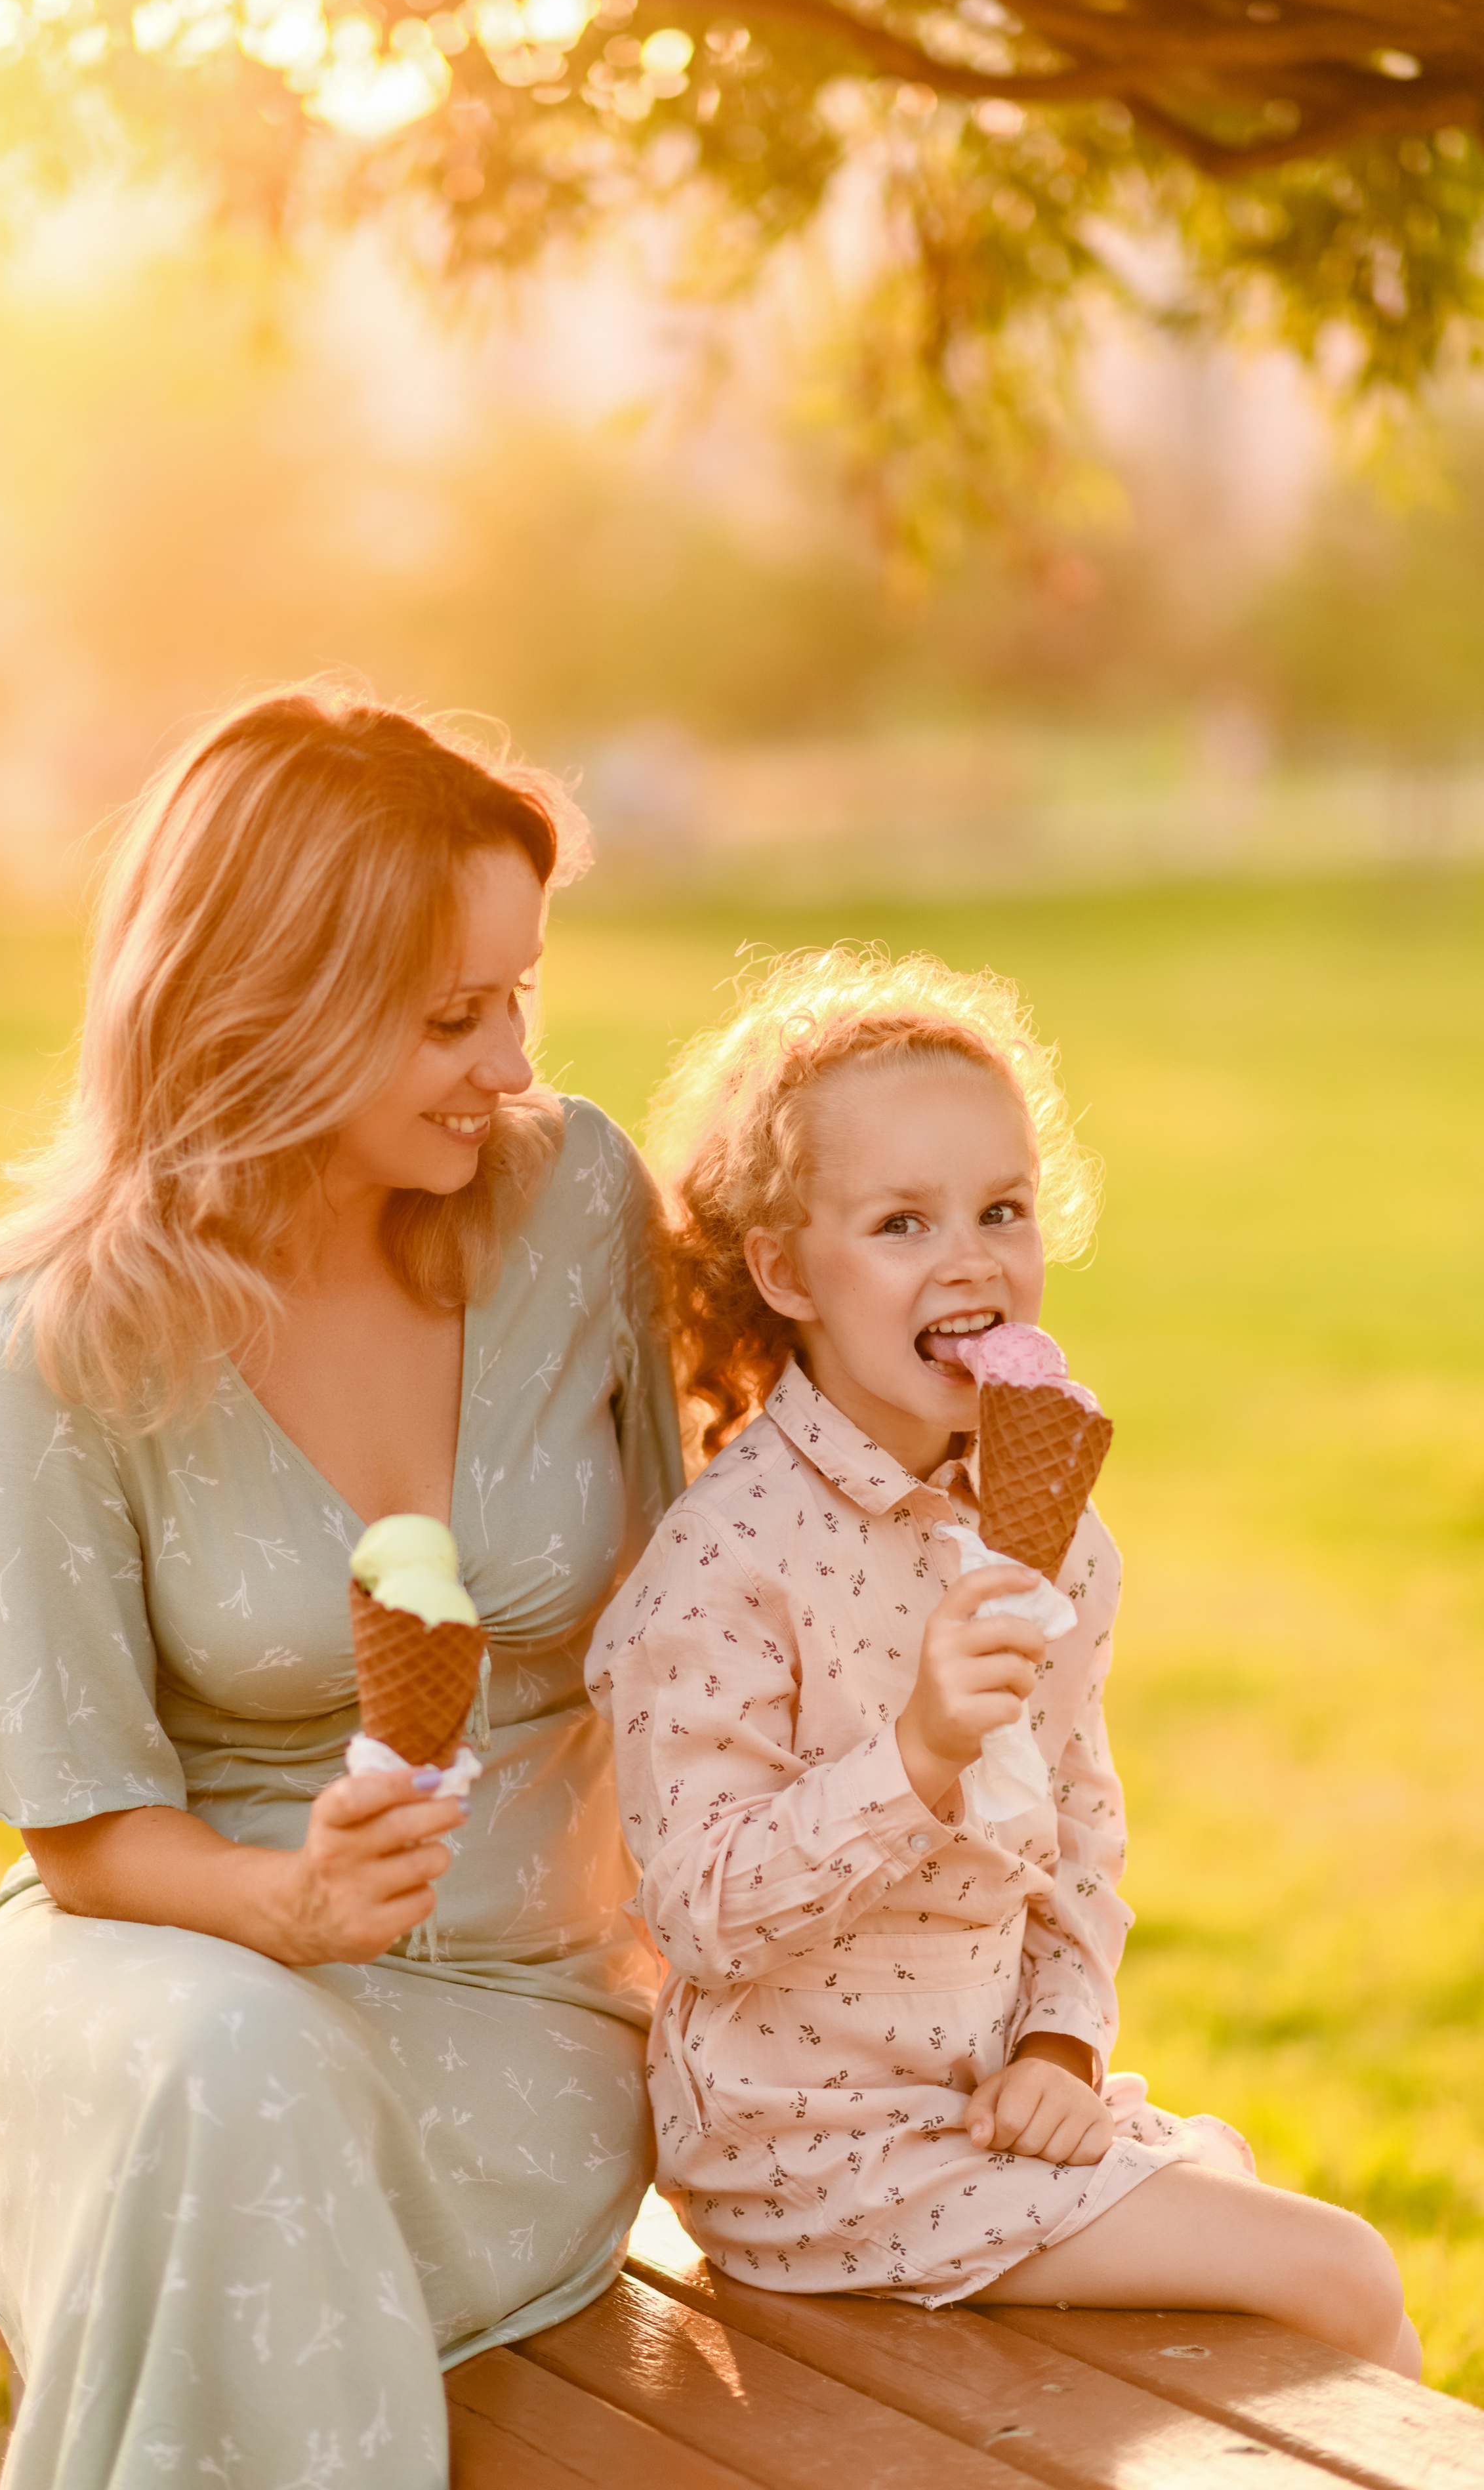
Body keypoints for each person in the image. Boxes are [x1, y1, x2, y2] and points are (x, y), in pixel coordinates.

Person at [0, 680, 684, 2488]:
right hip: (153, 1970)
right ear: (275, 1009)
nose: (511, 1065)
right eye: (449, 1017)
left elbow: (700, 1613)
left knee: (243, 2128)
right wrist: (291, 1906)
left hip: (515, 2026)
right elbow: (82, 1836)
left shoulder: (576, 1208)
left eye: (523, 997)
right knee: (230, 2073)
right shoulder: (66, 1341)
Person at [588, 945, 1420, 2374]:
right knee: (1334, 2279)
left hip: (978, 2099)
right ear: (784, 1270)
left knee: (1287, 2286)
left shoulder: (1051, 1539)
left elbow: (1081, 1831)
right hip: (808, 2151)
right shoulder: (724, 1564)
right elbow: (700, 1911)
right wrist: (911, 1758)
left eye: (1000, 1210)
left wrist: (1058, 2047)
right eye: (900, 1223)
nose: (969, 1256)